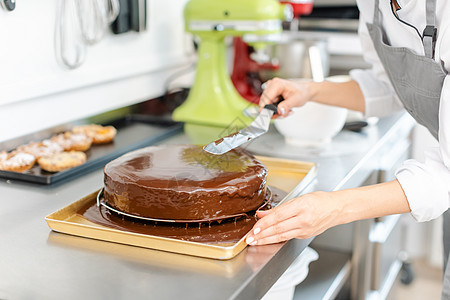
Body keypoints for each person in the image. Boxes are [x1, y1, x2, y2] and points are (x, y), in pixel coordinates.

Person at [245, 0, 450, 296]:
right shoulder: (372, 4)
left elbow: (445, 176)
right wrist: (310, 89)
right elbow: (389, 88)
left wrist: (334, 207)